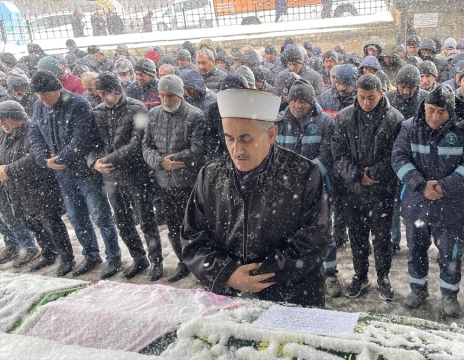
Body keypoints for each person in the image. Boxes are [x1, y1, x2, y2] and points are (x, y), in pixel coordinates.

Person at [181, 87, 328, 306]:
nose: (236, 149)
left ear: (271, 135)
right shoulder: (210, 175)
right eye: (229, 138)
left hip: (293, 296)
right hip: (229, 298)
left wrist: (258, 276)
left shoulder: (304, 174)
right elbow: (192, 238)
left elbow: (314, 240)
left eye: (246, 138)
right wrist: (228, 274)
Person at [391, 84, 464, 313]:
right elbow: (398, 158)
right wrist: (420, 185)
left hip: (451, 205)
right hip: (416, 204)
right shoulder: (409, 127)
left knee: (451, 254)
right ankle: (418, 289)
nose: (434, 116)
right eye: (430, 110)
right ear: (424, 107)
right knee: (415, 251)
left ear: (450, 112)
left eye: (441, 112)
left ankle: (449, 294)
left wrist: (444, 187)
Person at [29, 70, 123, 279]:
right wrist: (45, 160)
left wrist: (60, 159)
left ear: (57, 89)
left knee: (100, 215)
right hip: (62, 174)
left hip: (84, 171)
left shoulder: (77, 104)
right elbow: (34, 134)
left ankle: (113, 256)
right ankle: (90, 255)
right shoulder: (39, 106)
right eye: (38, 95)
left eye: (45, 94)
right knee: (76, 217)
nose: (42, 99)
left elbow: (81, 140)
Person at [331, 74, 403, 301]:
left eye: (370, 97)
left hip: (382, 191)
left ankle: (383, 277)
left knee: (382, 239)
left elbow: (397, 155)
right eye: (361, 97)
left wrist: (373, 174)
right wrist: (356, 175)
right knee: (357, 237)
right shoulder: (344, 118)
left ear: (381, 94)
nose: (365, 102)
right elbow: (338, 153)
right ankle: (360, 275)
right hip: (353, 191)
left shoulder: (394, 119)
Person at [87, 73, 164, 281]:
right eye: (99, 93)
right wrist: (94, 162)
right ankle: (139, 258)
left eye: (106, 93)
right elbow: (92, 144)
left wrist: (109, 158)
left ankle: (156, 260)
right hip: (110, 177)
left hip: (135, 174)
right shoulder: (97, 113)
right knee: (122, 220)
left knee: (146, 219)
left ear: (116, 91)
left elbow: (137, 143)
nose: (102, 97)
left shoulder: (137, 108)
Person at [274, 79, 338, 296]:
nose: (297, 105)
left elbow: (327, 157)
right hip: (286, 190)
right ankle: (295, 272)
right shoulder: (279, 122)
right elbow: (272, 154)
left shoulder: (326, 122)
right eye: (293, 100)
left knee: (322, 233)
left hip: (318, 189)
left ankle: (329, 274)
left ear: (311, 102)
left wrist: (304, 179)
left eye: (302, 100)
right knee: (289, 233)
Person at [142, 75, 206, 282]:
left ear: (179, 94)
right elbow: (146, 146)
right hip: (164, 182)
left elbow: (197, 149)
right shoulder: (153, 115)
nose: (165, 100)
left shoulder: (195, 116)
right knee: (173, 226)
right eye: (161, 95)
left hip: (188, 183)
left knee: (194, 227)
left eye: (170, 95)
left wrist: (174, 160)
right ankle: (183, 261)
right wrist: (161, 162)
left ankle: (200, 263)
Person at [0, 100, 72, 273]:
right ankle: (48, 254)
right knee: (33, 224)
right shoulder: (4, 134)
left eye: (4, 119)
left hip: (40, 188)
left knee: (51, 224)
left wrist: (8, 170)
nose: (1, 124)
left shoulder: (34, 130)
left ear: (16, 117)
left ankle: (67, 258)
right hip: (18, 190)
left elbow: (35, 158)